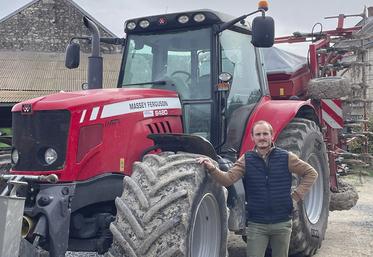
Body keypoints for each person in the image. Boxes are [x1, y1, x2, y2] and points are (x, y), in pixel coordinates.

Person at [197, 120, 318, 257]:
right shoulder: (246, 159)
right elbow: (227, 179)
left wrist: (296, 196)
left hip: (282, 223)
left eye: (265, 134)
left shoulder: (286, 157)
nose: (262, 137)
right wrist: (212, 168)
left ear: (272, 136)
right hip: (257, 225)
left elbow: (311, 173)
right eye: (258, 134)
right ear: (252, 137)